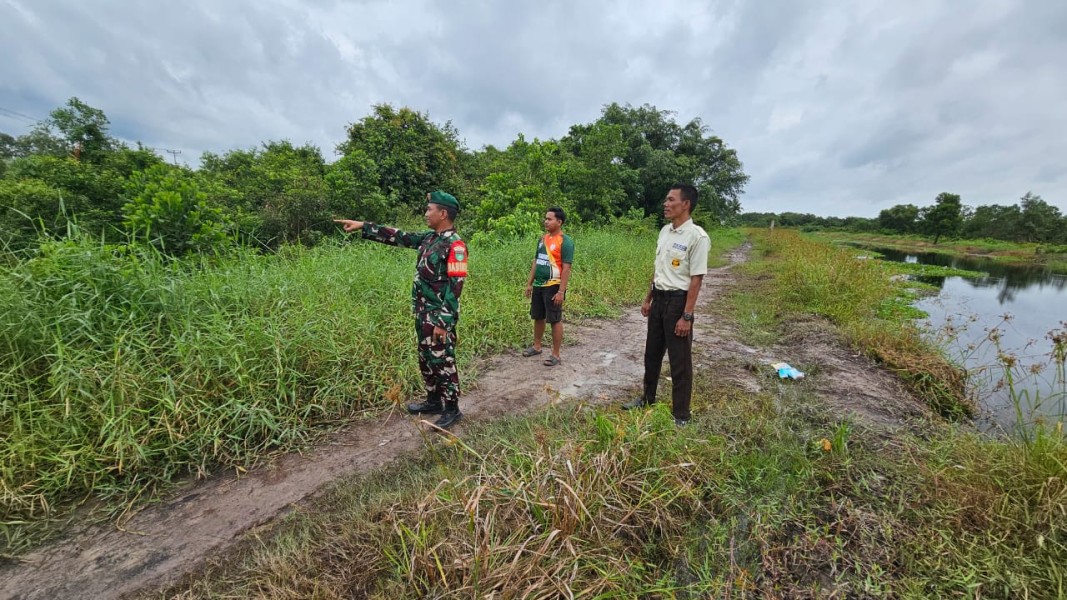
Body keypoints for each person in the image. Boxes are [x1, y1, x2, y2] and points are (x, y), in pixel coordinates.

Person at [334, 191, 468, 429]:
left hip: (438, 316)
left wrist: (443, 322)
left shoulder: (455, 245)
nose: (426, 214)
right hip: (422, 312)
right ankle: (434, 400)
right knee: (426, 358)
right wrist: (364, 226)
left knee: (443, 360)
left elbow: (455, 287)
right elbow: (401, 236)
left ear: (443, 213)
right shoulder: (430, 239)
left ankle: (452, 408)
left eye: (429, 210)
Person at [622, 184, 709, 426]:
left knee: (679, 361)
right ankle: (647, 399)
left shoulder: (697, 237)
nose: (666, 204)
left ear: (685, 204)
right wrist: (648, 298)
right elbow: (659, 269)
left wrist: (687, 316)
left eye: (671, 200)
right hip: (659, 299)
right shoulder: (664, 232)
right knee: (651, 354)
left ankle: (681, 414)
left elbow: (696, 279)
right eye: (666, 200)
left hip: (678, 302)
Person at [522, 208, 574, 366]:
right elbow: (535, 262)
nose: (546, 221)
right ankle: (537, 346)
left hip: (553, 286)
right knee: (538, 316)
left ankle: (556, 355)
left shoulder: (565, 242)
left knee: (554, 319)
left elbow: (566, 268)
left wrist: (561, 291)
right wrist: (529, 283)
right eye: (545, 218)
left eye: (550, 219)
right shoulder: (542, 239)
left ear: (559, 222)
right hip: (539, 284)